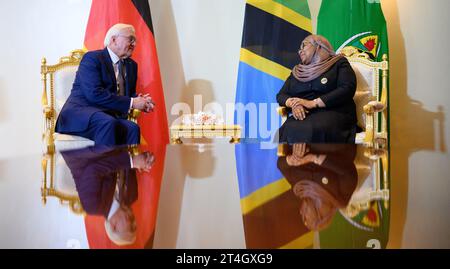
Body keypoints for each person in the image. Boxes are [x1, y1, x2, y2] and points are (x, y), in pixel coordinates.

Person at [55, 23, 154, 145]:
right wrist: (133, 102)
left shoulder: (131, 65)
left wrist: (141, 100)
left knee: (132, 128)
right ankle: (105, 164)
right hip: (79, 114)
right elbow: (94, 94)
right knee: (107, 123)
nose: (134, 44)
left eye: (135, 41)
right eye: (130, 39)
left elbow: (126, 94)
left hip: (106, 115)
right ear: (113, 40)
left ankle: (129, 164)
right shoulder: (92, 58)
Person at [61, 145, 154, 246]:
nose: (134, 222)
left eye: (130, 227)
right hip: (116, 143)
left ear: (114, 226)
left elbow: (93, 169)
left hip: (86, 145)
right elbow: (128, 159)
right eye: (135, 226)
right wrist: (143, 160)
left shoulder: (93, 206)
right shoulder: (132, 196)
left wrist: (132, 162)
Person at [276, 35, 358, 143]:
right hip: (305, 115)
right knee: (285, 130)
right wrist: (295, 104)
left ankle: (314, 159)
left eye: (304, 45)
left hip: (334, 112)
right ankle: (295, 160)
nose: (300, 51)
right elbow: (281, 95)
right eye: (299, 49)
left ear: (318, 46)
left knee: (313, 129)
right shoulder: (297, 72)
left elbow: (347, 88)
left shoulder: (338, 63)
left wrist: (314, 103)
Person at [277, 143, 358, 231]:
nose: (300, 212)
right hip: (333, 144)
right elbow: (349, 172)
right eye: (305, 218)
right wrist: (315, 158)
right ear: (320, 216)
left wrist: (291, 160)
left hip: (302, 141)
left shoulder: (299, 190)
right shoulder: (339, 199)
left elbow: (281, 166)